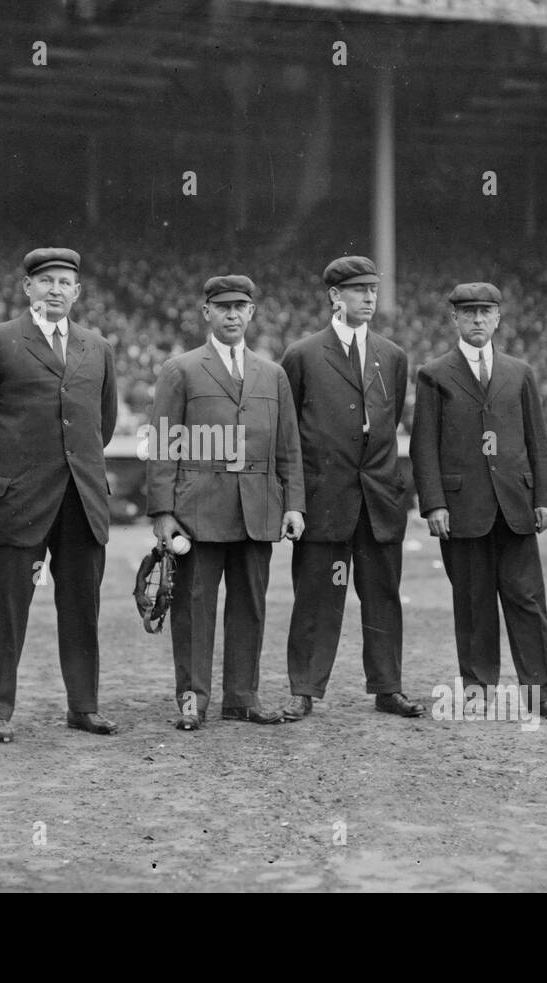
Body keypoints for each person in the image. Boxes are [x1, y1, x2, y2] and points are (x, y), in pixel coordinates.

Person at [0, 247, 119, 743]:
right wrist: (11, 471)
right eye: (45, 280)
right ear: (27, 288)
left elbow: (103, 425)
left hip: (81, 500)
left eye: (65, 282)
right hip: (17, 501)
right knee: (6, 607)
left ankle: (83, 706)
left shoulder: (98, 348)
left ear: (77, 291)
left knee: (81, 607)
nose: (55, 289)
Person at [146, 275, 305, 730]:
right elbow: (162, 443)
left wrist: (293, 504)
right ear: (207, 313)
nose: (233, 314)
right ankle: (192, 699)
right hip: (199, 513)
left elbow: (289, 447)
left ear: (252, 313)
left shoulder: (272, 374)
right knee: (194, 607)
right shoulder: (182, 369)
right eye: (223, 307)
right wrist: (163, 512)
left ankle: (242, 698)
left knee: (250, 605)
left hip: (258, 510)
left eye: (241, 306)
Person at [409, 282, 547, 720]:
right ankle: (478, 688)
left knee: (527, 599)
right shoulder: (434, 374)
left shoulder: (520, 372)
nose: (478, 319)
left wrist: (545, 498)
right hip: (462, 508)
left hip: (515, 505)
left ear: (498, 318)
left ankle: (539, 689)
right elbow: (424, 447)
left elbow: (537, 439)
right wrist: (434, 504)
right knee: (473, 601)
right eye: (469, 312)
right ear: (454, 319)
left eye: (486, 312)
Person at [279, 256, 424, 721]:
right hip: (324, 500)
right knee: (317, 597)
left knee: (383, 594)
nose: (368, 299)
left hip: (379, 499)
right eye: (358, 291)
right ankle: (304, 689)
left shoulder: (392, 356)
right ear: (335, 297)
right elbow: (289, 433)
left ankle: (388, 687)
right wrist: (295, 500)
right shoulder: (302, 355)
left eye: (373, 291)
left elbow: (388, 422)